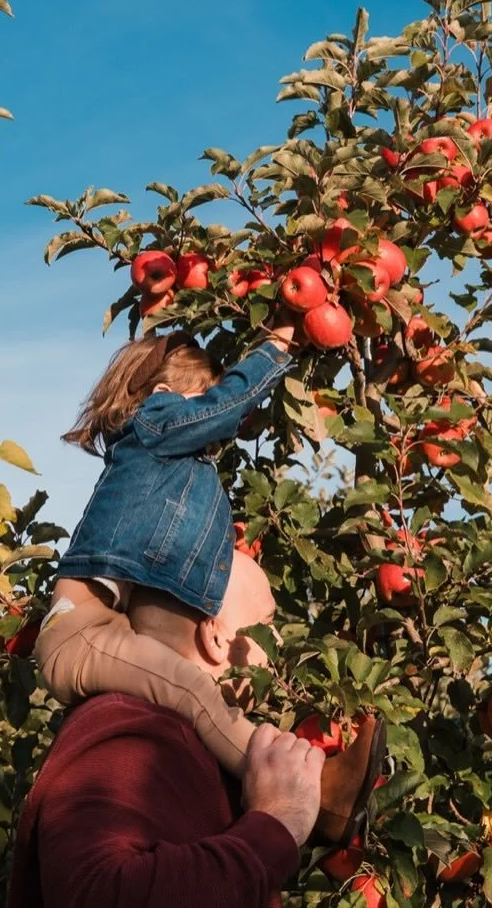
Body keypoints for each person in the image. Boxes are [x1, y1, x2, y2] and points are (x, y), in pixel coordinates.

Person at [0, 551, 330, 908]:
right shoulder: (131, 731)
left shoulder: (183, 749)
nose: (277, 648)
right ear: (217, 638)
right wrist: (274, 827)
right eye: (268, 624)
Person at [35, 322, 385, 843]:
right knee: (191, 689)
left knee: (187, 704)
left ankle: (250, 791)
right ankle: (316, 792)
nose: (211, 418)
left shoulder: (161, 463)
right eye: (198, 398)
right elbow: (220, 408)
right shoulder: (152, 422)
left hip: (101, 626)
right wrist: (277, 348)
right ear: (163, 395)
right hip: (78, 636)